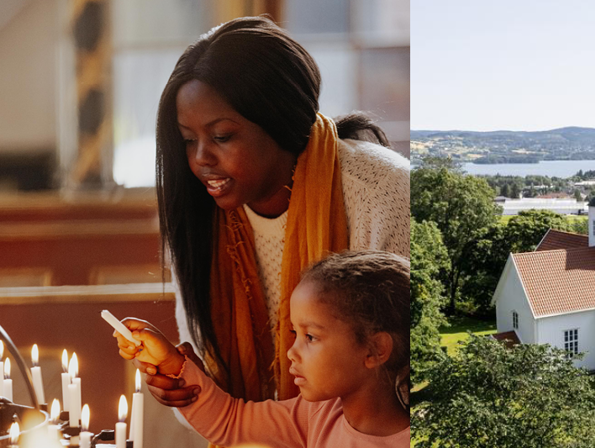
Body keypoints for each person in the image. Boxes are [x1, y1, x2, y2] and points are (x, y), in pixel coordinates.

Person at [150, 15, 409, 410]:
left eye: (221, 136)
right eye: (188, 140)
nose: (201, 158)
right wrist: (188, 387)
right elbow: (214, 391)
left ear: (280, 120)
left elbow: (413, 384)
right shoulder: (196, 211)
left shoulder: (383, 192)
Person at [115, 251, 411, 447]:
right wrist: (170, 363)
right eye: (295, 333)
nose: (291, 352)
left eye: (311, 337)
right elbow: (231, 422)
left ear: (375, 350)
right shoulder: (319, 414)